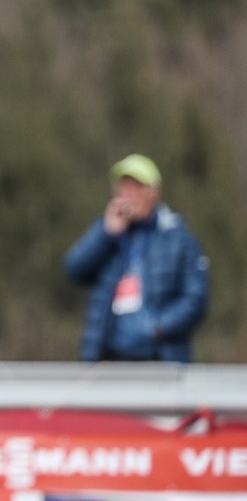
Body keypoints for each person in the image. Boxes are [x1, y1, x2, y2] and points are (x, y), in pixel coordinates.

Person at [63, 153, 209, 363]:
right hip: (108, 358)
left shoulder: (179, 238)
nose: (128, 195)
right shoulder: (108, 232)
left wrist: (159, 327)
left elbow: (195, 299)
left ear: (154, 192)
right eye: (123, 187)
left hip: (160, 358)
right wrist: (105, 233)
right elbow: (74, 269)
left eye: (136, 187)